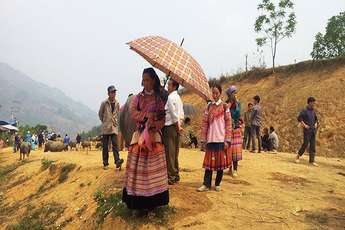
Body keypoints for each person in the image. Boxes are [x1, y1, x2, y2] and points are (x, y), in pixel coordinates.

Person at [122, 67, 169, 210]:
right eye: (143, 80)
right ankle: (137, 203)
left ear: (153, 80)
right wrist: (145, 116)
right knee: (138, 170)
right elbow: (133, 112)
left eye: (147, 80)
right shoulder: (138, 98)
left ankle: (152, 204)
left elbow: (163, 118)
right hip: (140, 135)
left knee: (153, 172)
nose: (145, 82)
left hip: (154, 137)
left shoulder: (159, 99)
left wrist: (156, 124)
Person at [197, 84, 232, 192]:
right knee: (209, 164)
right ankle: (206, 184)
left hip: (221, 139)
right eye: (213, 93)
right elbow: (204, 124)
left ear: (220, 93)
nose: (215, 95)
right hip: (211, 139)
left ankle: (218, 183)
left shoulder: (225, 106)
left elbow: (228, 124)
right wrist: (203, 139)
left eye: (216, 93)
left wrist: (227, 139)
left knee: (220, 165)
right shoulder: (208, 107)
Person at [163, 79, 184, 185]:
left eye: (169, 85)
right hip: (177, 127)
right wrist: (179, 126)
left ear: (175, 86)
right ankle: (175, 174)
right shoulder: (179, 98)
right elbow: (181, 114)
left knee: (170, 153)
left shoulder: (170, 98)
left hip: (170, 127)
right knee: (175, 152)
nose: (167, 86)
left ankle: (171, 176)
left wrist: (176, 125)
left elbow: (173, 113)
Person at [98, 85, 124, 170]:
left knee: (115, 145)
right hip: (106, 128)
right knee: (105, 146)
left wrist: (115, 122)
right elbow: (100, 114)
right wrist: (105, 121)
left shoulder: (117, 103)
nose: (114, 94)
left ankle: (117, 161)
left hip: (114, 127)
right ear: (108, 93)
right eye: (112, 92)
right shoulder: (104, 103)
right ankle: (105, 163)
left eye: (114, 92)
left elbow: (117, 114)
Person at [296, 97, 319, 166]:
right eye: (313, 102)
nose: (314, 104)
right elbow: (299, 118)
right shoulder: (304, 110)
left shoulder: (313, 111)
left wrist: (316, 124)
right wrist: (304, 125)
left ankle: (312, 161)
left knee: (313, 145)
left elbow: (316, 119)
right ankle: (298, 156)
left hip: (313, 131)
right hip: (307, 131)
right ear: (309, 102)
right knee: (305, 144)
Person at [226, 85, 242, 177]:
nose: (236, 94)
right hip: (228, 129)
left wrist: (235, 104)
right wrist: (230, 105)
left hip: (235, 128)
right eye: (234, 93)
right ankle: (230, 168)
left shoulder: (238, 103)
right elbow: (225, 114)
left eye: (236, 92)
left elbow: (238, 114)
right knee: (229, 150)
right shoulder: (227, 103)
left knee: (235, 150)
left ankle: (235, 169)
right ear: (230, 94)